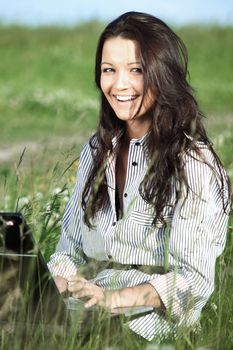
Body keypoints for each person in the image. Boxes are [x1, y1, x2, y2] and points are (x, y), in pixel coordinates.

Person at [48, 11, 231, 342]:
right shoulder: (95, 152)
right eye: (109, 70)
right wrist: (53, 284)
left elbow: (193, 280)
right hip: (88, 312)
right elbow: (69, 251)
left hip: (153, 326)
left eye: (136, 70)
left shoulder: (192, 162)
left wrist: (112, 301)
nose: (119, 84)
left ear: (162, 73)